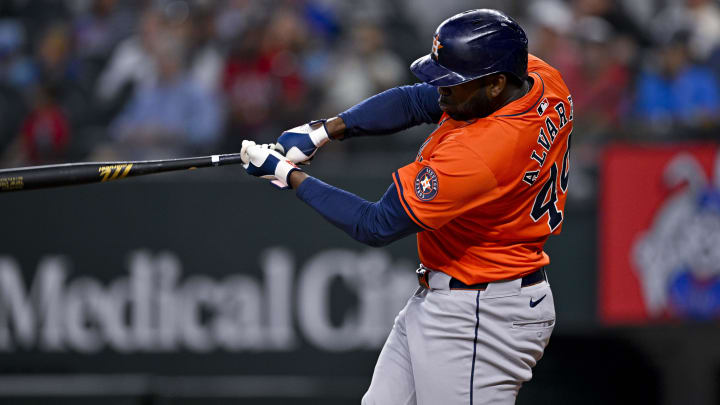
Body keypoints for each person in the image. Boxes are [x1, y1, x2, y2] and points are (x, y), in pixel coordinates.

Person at [240, 9, 573, 405]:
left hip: (482, 314)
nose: (442, 91)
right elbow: (418, 100)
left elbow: (375, 224)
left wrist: (285, 174)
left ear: (497, 83)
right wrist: (326, 130)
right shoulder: (540, 79)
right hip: (462, 294)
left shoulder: (482, 154)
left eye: (454, 83)